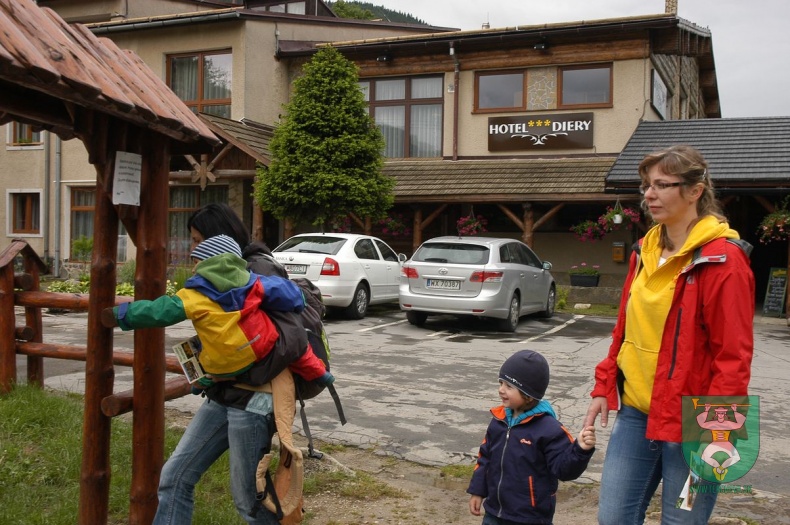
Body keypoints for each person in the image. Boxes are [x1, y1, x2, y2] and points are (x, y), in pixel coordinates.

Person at [584, 145, 755, 524]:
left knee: (683, 521)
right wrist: (603, 385)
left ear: (695, 191)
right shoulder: (643, 250)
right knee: (613, 518)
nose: (648, 194)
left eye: (662, 185)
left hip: (697, 422)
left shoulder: (724, 260)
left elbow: (734, 357)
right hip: (636, 415)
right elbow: (624, 330)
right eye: (647, 185)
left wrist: (721, 431)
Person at [149, 204, 291, 525]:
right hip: (224, 396)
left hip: (255, 399)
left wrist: (221, 363)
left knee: (249, 502)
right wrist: (205, 360)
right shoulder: (220, 272)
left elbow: (270, 343)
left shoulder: (256, 270)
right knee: (174, 477)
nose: (193, 248)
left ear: (218, 237)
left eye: (199, 239)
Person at [101, 234, 332, 384]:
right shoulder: (254, 282)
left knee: (205, 354)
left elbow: (157, 311)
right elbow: (285, 292)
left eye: (195, 263)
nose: (193, 269)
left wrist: (123, 314)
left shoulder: (193, 295)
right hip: (261, 348)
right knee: (297, 346)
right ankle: (320, 374)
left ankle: (202, 383)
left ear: (207, 263)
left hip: (224, 365)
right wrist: (300, 299)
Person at [467, 349, 596, 524]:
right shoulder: (499, 421)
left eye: (509, 386)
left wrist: (580, 449)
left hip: (531, 517)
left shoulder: (550, 430)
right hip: (494, 512)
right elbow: (485, 459)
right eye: (501, 383)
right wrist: (478, 491)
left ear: (528, 396)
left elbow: (564, 470)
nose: (501, 390)